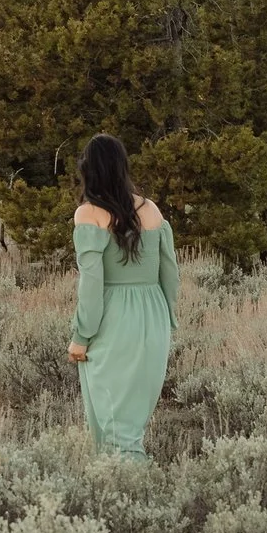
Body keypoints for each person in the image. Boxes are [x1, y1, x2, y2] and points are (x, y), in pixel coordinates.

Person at [66, 134, 178, 457]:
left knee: (114, 429)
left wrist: (81, 335)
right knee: (129, 428)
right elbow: (170, 274)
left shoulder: (89, 214)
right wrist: (167, 318)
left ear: (90, 170)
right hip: (153, 319)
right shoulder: (153, 211)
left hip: (114, 320)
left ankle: (131, 498)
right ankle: (124, 497)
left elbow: (91, 284)